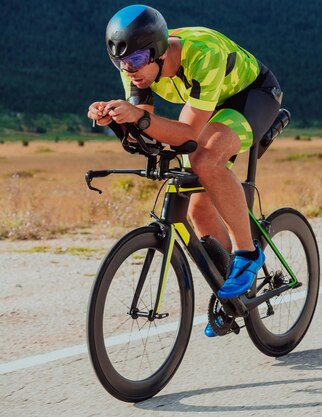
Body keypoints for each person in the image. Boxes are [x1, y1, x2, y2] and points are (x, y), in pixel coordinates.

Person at [87, 5, 282, 335]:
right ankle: (233, 295)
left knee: (205, 159)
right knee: (199, 210)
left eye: (134, 61)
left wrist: (138, 118)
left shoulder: (203, 53)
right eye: (119, 62)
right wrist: (117, 122)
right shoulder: (135, 67)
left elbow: (189, 135)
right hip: (209, 108)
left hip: (251, 97)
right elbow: (145, 133)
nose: (127, 69)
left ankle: (247, 254)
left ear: (158, 51)